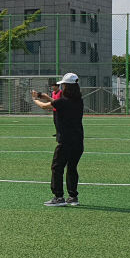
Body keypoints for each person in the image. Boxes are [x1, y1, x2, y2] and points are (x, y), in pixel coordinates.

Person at [32, 73, 84, 207]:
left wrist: (35, 100)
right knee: (72, 168)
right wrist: (45, 97)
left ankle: (58, 197)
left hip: (65, 141)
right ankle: (73, 197)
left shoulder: (62, 101)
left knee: (57, 167)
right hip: (78, 140)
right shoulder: (78, 100)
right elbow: (56, 103)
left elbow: (45, 106)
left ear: (66, 87)